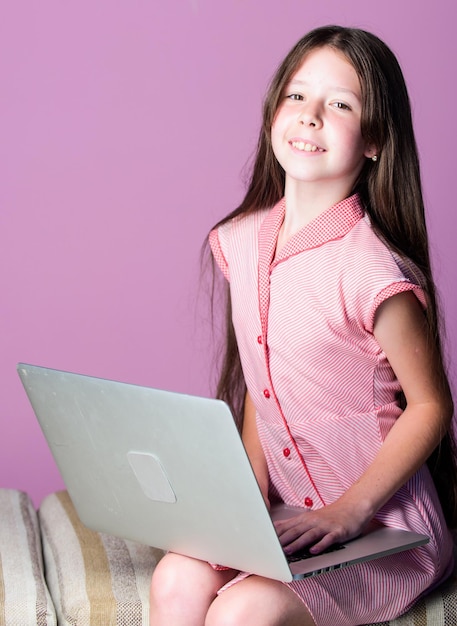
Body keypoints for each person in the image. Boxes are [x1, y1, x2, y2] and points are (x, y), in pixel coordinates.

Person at [149, 25, 457, 626]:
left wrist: (349, 510)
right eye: (297, 96)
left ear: (373, 141)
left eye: (340, 104)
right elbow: (264, 395)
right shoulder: (237, 243)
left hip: (379, 528)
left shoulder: (372, 268)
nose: (311, 116)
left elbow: (430, 407)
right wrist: (241, 507)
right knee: (176, 577)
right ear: (272, 115)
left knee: (244, 611)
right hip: (291, 516)